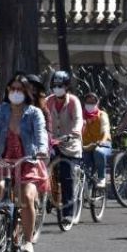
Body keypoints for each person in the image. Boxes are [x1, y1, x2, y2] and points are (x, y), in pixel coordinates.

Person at [0, 74, 48, 252]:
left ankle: (28, 242)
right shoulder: (0, 111)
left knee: (26, 196)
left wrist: (42, 150)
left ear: (26, 93)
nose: (15, 92)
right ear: (8, 91)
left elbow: (41, 134)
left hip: (28, 161)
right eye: (12, 89)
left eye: (19, 89)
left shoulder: (34, 113)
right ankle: (0, 222)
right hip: (4, 161)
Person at [45, 70, 83, 224]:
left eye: (60, 86)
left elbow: (78, 120)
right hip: (52, 142)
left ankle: (68, 213)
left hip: (70, 144)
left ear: (67, 87)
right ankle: (47, 197)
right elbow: (42, 118)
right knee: (42, 168)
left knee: (67, 177)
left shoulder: (74, 101)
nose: (57, 88)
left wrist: (73, 132)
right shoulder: (48, 101)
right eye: (54, 85)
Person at [81, 92, 112, 188]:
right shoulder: (81, 115)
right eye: (88, 102)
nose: (90, 104)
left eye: (92, 102)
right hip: (87, 146)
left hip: (102, 144)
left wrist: (102, 141)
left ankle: (102, 178)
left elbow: (105, 130)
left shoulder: (102, 115)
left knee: (98, 152)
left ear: (97, 103)